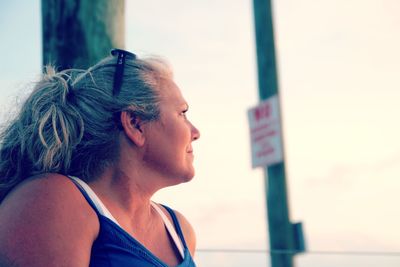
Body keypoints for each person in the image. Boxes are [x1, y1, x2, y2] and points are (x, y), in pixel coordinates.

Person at [0, 49, 200, 267]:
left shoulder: (181, 233)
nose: (196, 132)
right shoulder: (52, 201)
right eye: (182, 113)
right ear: (135, 124)